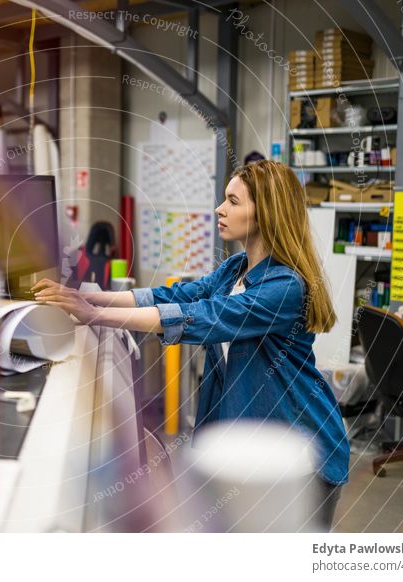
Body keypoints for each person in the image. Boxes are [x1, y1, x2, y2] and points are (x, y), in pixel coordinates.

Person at [32, 160, 350, 531]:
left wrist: (94, 315)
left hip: (301, 449)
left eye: (233, 201)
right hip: (247, 444)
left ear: (265, 213)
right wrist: (90, 296)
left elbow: (202, 317)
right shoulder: (235, 269)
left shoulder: (285, 288)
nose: (220, 208)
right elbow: (177, 295)